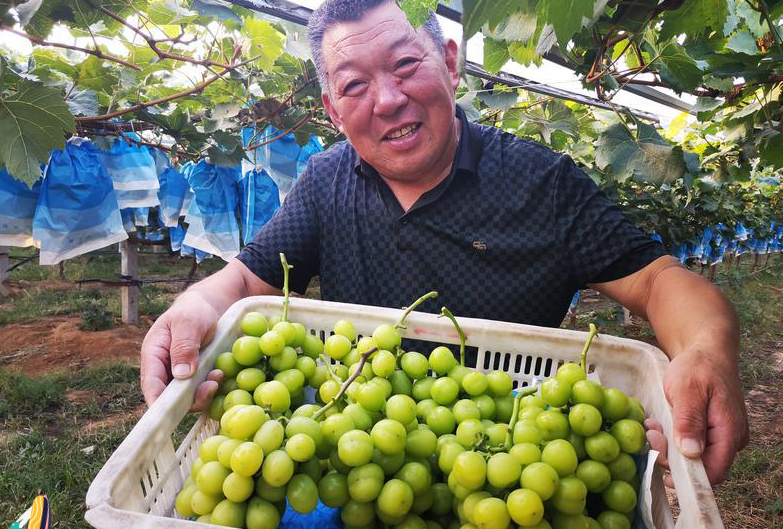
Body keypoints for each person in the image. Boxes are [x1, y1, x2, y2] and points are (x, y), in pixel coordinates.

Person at [141, 0, 747, 486]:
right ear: (331, 108)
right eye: (354, 86)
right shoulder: (327, 180)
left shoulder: (542, 183)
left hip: (507, 456)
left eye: (406, 66)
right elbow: (248, 279)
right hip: (355, 456)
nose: (387, 100)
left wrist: (706, 349)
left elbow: (659, 280)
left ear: (450, 62)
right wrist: (195, 306)